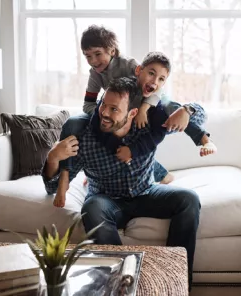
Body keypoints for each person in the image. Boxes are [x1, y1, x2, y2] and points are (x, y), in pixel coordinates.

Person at [42, 77, 201, 290]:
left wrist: (188, 110)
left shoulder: (148, 125)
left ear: (132, 113)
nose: (105, 113)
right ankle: (121, 287)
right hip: (107, 200)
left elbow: (200, 116)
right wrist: (53, 157)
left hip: (146, 192)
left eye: (114, 109)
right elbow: (52, 188)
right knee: (92, 207)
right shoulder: (86, 137)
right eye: (103, 105)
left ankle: (176, 282)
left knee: (189, 199)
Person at [55, 25, 216, 207]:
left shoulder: (129, 65)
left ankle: (203, 140)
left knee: (172, 109)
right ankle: (65, 175)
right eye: (88, 56)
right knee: (74, 123)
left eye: (98, 54)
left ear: (112, 51)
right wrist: (106, 113)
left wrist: (144, 108)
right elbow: (88, 104)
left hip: (147, 105)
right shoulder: (95, 74)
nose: (93, 60)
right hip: (115, 113)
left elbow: (153, 87)